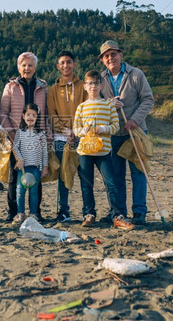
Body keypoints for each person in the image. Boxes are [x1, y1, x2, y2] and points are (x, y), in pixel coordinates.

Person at [98, 40, 155, 225]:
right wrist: (108, 104)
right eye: (106, 56)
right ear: (102, 60)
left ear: (121, 55)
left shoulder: (136, 74)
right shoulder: (101, 79)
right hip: (113, 133)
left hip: (136, 131)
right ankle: (118, 212)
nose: (110, 58)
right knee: (116, 175)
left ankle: (139, 212)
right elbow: (97, 104)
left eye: (113, 54)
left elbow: (148, 100)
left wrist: (134, 120)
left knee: (138, 173)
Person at [73, 70, 134, 230]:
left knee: (111, 183)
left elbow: (115, 127)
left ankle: (117, 215)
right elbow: (75, 129)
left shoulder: (108, 105)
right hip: (84, 152)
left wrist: (103, 128)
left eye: (96, 83)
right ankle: (89, 214)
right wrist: (84, 131)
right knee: (87, 185)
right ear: (85, 86)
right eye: (89, 83)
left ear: (101, 85)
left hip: (104, 152)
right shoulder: (81, 107)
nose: (93, 86)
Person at [0, 52, 50, 222]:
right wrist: (11, 133)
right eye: (23, 65)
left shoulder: (43, 88)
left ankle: (36, 212)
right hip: (17, 137)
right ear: (18, 67)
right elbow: (3, 112)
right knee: (15, 178)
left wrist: (45, 134)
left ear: (35, 68)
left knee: (36, 178)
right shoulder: (10, 87)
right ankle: (13, 211)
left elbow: (47, 114)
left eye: (30, 65)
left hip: (37, 138)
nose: (27, 68)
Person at [47, 50, 87, 222]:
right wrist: (66, 131)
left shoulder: (84, 86)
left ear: (74, 64)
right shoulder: (53, 90)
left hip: (82, 138)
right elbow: (51, 115)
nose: (66, 65)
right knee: (64, 175)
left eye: (69, 62)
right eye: (62, 63)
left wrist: (77, 131)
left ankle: (88, 211)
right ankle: (63, 211)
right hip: (61, 139)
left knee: (84, 175)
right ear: (58, 66)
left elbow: (88, 109)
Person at [12, 103, 49, 224]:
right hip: (23, 168)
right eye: (28, 115)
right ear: (23, 116)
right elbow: (15, 147)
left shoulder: (41, 134)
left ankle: (33, 214)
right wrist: (19, 159)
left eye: (34, 115)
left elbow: (44, 152)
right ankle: (20, 213)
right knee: (20, 191)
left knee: (34, 192)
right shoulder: (20, 132)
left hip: (35, 168)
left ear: (37, 117)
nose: (30, 118)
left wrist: (44, 167)